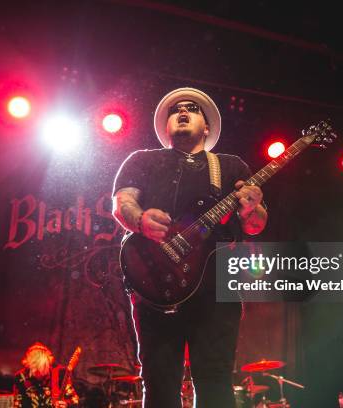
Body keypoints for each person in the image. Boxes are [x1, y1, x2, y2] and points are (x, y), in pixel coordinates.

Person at [112, 87, 267, 407]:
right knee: (159, 381)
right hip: (155, 285)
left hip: (214, 289)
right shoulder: (142, 160)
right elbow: (122, 203)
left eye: (192, 108)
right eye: (175, 110)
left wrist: (253, 208)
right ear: (166, 126)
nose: (182, 111)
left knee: (215, 381)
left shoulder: (229, 166)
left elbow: (255, 225)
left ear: (207, 126)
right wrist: (140, 220)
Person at [13, 342, 79, 408]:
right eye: (35, 370)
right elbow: (17, 404)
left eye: (42, 369)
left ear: (48, 365)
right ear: (30, 366)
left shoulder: (59, 374)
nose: (39, 374)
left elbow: (75, 401)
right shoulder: (20, 377)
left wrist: (67, 405)